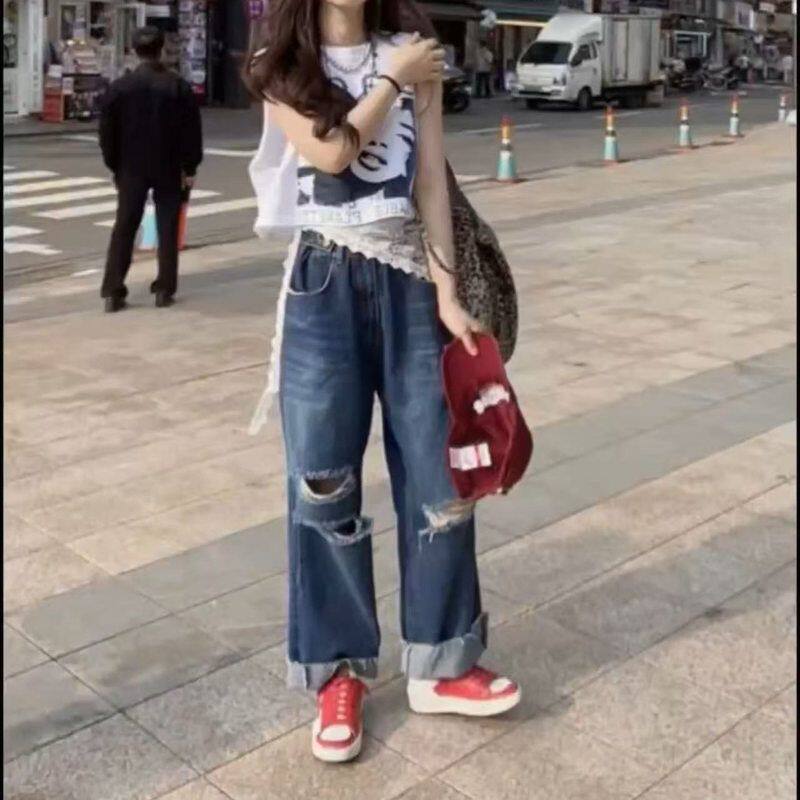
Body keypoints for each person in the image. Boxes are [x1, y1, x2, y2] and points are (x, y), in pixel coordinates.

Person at [245, 0, 520, 765]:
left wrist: (448, 294)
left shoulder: (412, 49)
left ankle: (443, 659)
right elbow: (331, 153)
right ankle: (337, 672)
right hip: (322, 286)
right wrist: (392, 80)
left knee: (440, 478)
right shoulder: (279, 66)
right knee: (323, 486)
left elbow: (429, 181)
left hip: (409, 284)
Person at [99, 25, 202, 313]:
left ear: (134, 51)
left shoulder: (120, 88)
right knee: (167, 226)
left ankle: (113, 290)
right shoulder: (177, 86)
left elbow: (107, 133)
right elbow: (191, 132)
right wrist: (190, 166)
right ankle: (164, 288)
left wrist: (114, 164)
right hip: (169, 164)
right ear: (161, 49)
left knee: (125, 225)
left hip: (130, 166)